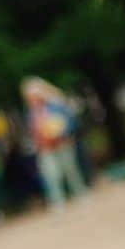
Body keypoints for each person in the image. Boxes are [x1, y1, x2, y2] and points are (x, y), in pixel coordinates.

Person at [21, 78, 88, 209]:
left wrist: (59, 133)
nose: (31, 99)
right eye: (29, 97)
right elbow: (33, 132)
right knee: (51, 175)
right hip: (45, 148)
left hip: (62, 144)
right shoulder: (31, 113)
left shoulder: (55, 106)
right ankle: (58, 203)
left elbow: (70, 123)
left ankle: (80, 193)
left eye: (33, 96)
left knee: (70, 170)